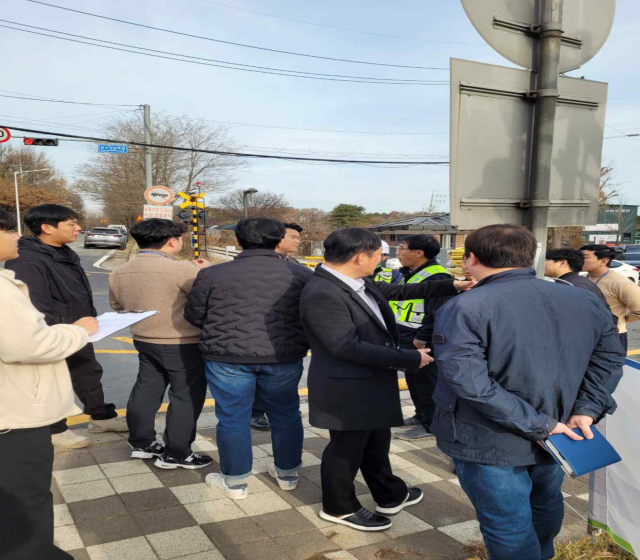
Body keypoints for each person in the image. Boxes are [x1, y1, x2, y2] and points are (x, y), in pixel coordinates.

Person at [431, 225, 625, 560]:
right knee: (546, 500)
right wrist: (585, 409)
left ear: (472, 258)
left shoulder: (466, 306)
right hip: (559, 427)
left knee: (507, 522)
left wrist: (550, 421)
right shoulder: (581, 297)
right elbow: (609, 356)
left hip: (492, 436)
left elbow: (468, 381)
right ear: (530, 256)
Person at [300, 228, 471, 531]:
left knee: (376, 441)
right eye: (380, 255)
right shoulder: (322, 292)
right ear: (360, 257)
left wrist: (454, 284)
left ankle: (390, 494)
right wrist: (410, 359)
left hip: (369, 378)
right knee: (346, 447)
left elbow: (398, 292)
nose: (383, 261)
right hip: (347, 384)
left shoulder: (356, 281)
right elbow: (344, 345)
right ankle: (338, 506)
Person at [185, 218, 313, 498]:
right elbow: (311, 317)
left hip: (227, 356)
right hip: (283, 355)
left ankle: (235, 481)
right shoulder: (301, 275)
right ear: (279, 240)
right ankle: (287, 473)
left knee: (232, 417)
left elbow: (194, 315)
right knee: (286, 414)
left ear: (239, 242)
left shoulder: (212, 275)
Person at [0, 209, 99, 560]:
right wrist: (78, 330)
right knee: (25, 498)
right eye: (8, 230)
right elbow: (30, 343)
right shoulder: (18, 271)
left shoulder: (61, 255)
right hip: (14, 420)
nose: (16, 238)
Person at [5, 204, 126, 449]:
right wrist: (52, 333)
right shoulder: (28, 259)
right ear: (47, 228)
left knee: (88, 371)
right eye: (71, 223)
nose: (78, 228)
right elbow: (35, 303)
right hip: (53, 332)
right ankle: (55, 430)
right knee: (50, 379)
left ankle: (101, 417)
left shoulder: (64, 252)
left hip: (79, 327)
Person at [109, 219, 213, 469]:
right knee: (185, 396)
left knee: (146, 389)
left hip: (144, 339)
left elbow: (116, 306)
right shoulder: (183, 270)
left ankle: (142, 443)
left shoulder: (119, 271)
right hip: (181, 341)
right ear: (172, 241)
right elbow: (205, 300)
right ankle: (177, 452)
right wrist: (204, 271)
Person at [391, 235, 454, 441]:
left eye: (402, 248)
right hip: (407, 334)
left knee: (426, 381)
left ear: (418, 253)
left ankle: (430, 424)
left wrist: (421, 337)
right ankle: (421, 415)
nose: (398, 253)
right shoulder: (411, 273)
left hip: (421, 338)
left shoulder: (437, 277)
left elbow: (437, 312)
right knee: (413, 379)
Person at [249, 222, 306, 431]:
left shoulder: (295, 265)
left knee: (284, 382)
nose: (297, 241)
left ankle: (281, 410)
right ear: (277, 238)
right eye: (293, 237)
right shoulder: (256, 265)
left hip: (287, 335)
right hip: (258, 334)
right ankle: (256, 413)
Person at [581, 244, 640, 354]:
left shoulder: (620, 282)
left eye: (585, 257)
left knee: (608, 370)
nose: (580, 259)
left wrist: (621, 319)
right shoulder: (582, 279)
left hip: (611, 335)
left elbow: (638, 310)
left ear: (603, 261)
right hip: (585, 334)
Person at [544, 248, 614, 315]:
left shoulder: (570, 285)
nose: (542, 264)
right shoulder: (578, 281)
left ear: (562, 263)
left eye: (546, 260)